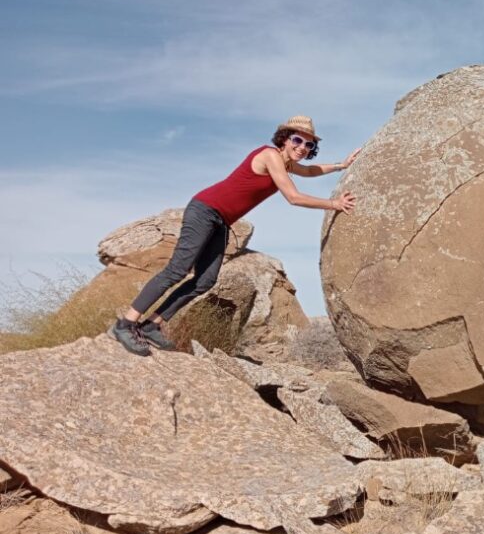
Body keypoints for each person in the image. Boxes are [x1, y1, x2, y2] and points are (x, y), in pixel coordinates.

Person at [108, 115, 359, 356]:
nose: (302, 147)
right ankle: (125, 324)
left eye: (309, 144)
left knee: (204, 281)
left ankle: (151, 325)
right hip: (205, 210)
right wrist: (334, 204)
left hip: (221, 221)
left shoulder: (287, 164)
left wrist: (341, 165)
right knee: (177, 270)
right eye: (297, 140)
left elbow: (311, 171)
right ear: (284, 138)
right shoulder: (270, 155)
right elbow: (293, 197)